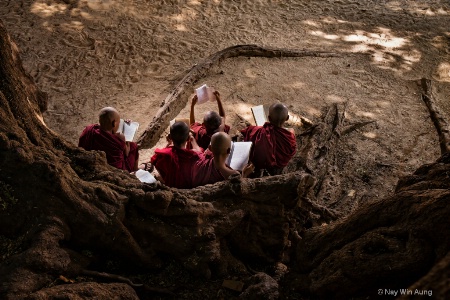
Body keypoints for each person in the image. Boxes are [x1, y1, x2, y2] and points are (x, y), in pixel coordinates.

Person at [241, 103, 297, 176]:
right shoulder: (290, 133)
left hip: (260, 166)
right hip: (279, 167)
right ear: (287, 118)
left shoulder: (258, 131)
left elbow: (247, 133)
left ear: (269, 118)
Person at [78, 107, 139, 172]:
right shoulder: (118, 139)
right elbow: (126, 153)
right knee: (134, 146)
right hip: (114, 171)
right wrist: (127, 141)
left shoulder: (89, 129)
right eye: (119, 122)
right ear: (114, 123)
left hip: (87, 165)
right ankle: (136, 171)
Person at [150, 121, 202, 189]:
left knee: (156, 174)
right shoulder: (192, 155)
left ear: (170, 137)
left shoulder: (166, 154)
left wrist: (169, 144)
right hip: (188, 188)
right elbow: (200, 152)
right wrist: (192, 138)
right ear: (188, 139)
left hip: (170, 187)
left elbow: (154, 160)